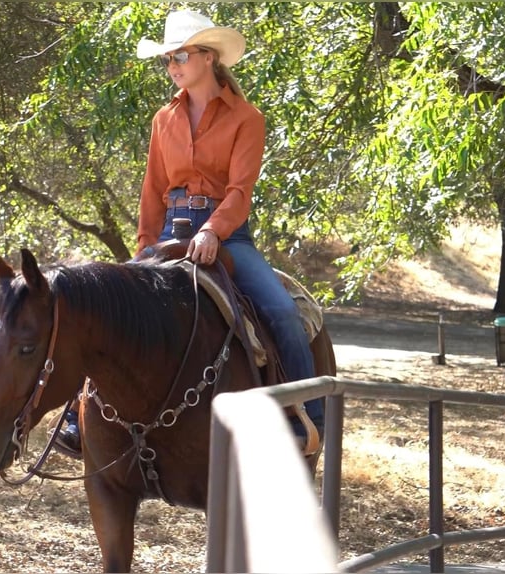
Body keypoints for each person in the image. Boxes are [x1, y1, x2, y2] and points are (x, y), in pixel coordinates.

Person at [56, 9, 323, 456]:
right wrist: (144, 247)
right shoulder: (164, 119)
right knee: (105, 305)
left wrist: (214, 232)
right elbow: (154, 189)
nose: (173, 66)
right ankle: (76, 419)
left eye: (180, 55)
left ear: (209, 57)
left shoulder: (246, 118)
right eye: (167, 59)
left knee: (281, 312)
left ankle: (306, 419)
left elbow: (240, 192)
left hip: (229, 233)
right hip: (170, 229)